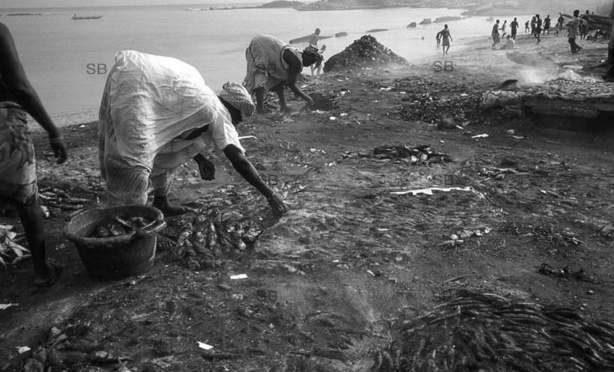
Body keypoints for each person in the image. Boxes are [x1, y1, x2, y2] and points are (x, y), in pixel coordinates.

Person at [99, 50, 288, 218]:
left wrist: (201, 160)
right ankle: (131, 219)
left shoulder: (202, 101)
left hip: (135, 70)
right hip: (137, 86)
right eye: (237, 121)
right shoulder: (218, 112)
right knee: (134, 159)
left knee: (166, 149)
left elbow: (179, 131)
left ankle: (161, 202)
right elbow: (239, 160)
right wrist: (270, 194)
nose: (235, 126)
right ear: (234, 111)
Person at [0, 23, 68, 287]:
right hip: (5, 124)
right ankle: (42, 271)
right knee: (27, 201)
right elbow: (20, 86)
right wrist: (54, 131)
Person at [243, 34, 319, 114]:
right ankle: (260, 108)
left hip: (272, 48)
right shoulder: (295, 62)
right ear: (307, 58)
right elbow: (291, 83)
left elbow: (286, 80)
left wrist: (297, 92)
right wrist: (307, 98)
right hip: (262, 46)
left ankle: (283, 106)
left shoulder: (298, 55)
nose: (309, 65)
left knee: (279, 79)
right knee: (260, 75)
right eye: (310, 62)